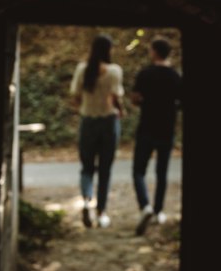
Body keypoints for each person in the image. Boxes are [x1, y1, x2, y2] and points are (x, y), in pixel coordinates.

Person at [70, 34, 125, 229]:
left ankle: (86, 200)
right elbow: (116, 97)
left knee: (87, 167)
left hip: (88, 122)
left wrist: (85, 106)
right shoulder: (114, 71)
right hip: (108, 122)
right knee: (105, 169)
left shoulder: (82, 69)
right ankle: (101, 212)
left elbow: (75, 96)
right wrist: (121, 110)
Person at [131, 37, 182, 236]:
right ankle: (159, 211)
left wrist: (145, 102)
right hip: (166, 129)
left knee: (138, 170)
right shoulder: (175, 76)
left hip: (146, 127)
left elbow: (135, 98)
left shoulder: (145, 73)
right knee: (162, 172)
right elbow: (182, 101)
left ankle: (145, 206)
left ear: (154, 52)